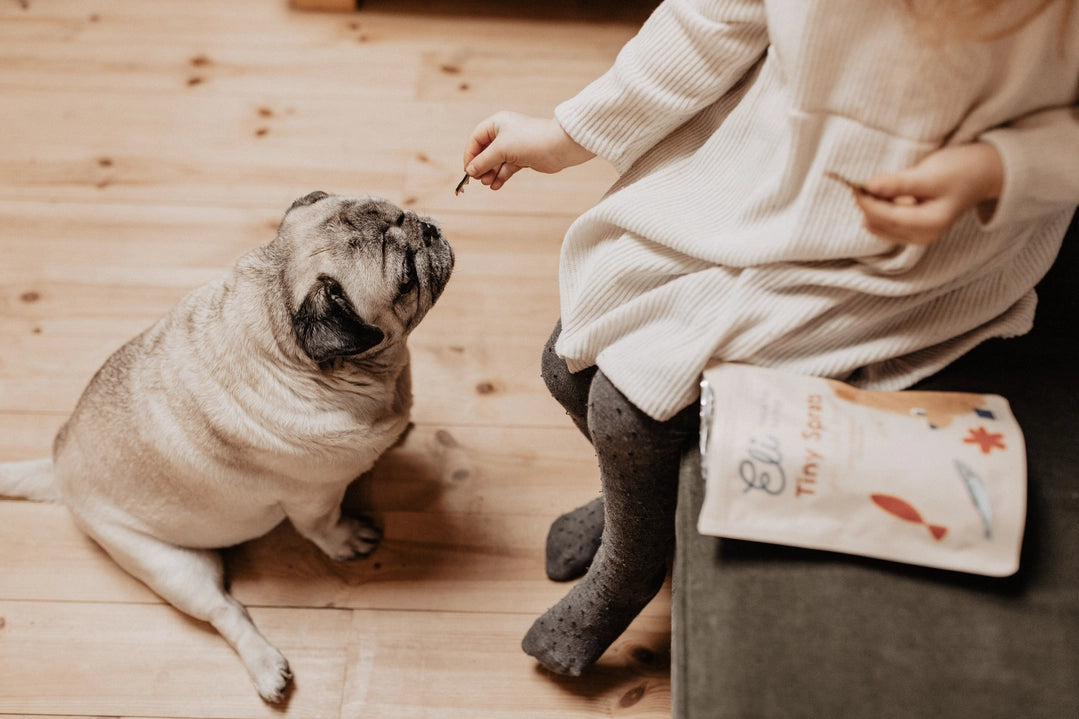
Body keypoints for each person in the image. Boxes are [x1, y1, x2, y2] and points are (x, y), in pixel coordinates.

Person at [461, 0, 1079, 677]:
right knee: (564, 361)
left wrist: (994, 170)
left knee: (629, 409)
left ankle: (631, 565)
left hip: (918, 251)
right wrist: (561, 134)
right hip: (767, 172)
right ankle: (632, 506)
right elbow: (705, 23)